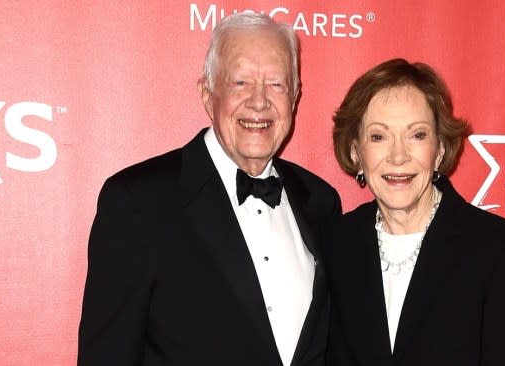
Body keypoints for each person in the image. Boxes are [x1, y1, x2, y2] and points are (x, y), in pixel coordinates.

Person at [78, 12, 341, 366]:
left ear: (295, 97)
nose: (259, 101)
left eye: (276, 84)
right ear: (207, 93)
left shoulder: (321, 202)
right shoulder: (137, 203)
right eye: (240, 82)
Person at [325, 58, 505, 366]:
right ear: (356, 151)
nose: (398, 156)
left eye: (417, 135)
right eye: (379, 136)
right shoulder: (335, 242)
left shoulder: (500, 248)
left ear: (440, 150)